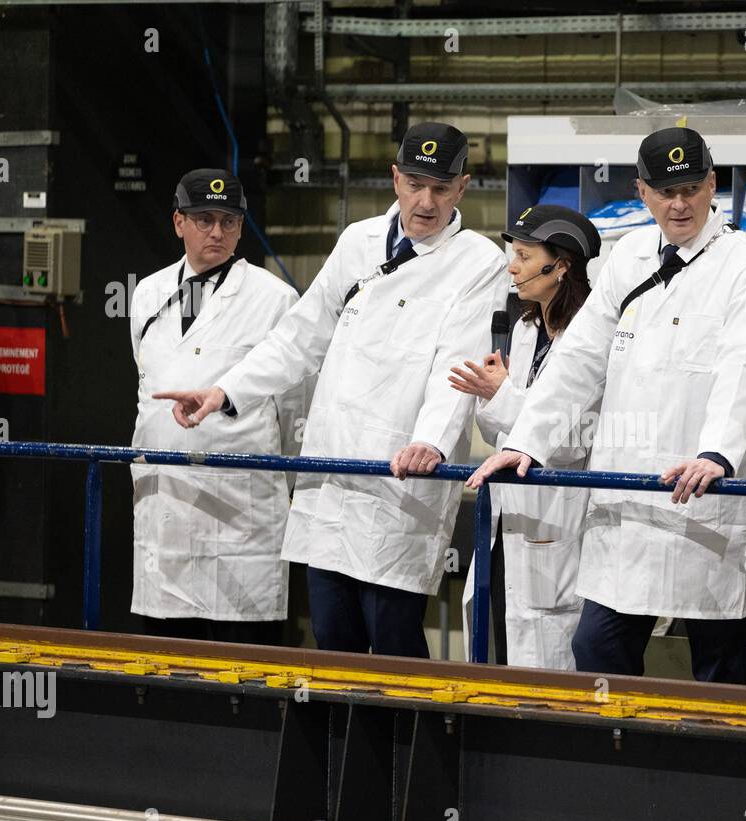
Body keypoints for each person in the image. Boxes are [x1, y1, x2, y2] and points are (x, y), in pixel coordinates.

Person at [154, 123, 506, 658]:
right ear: (395, 179)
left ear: (463, 187)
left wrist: (431, 442)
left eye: (440, 186)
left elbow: (454, 368)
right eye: (415, 183)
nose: (426, 200)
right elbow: (301, 335)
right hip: (331, 475)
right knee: (332, 641)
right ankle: (337, 742)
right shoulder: (358, 241)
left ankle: (407, 742)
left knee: (392, 644)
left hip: (400, 484)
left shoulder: (480, 263)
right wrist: (224, 392)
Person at [469, 126, 746, 685]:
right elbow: (580, 361)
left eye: (691, 187)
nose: (679, 203)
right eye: (665, 191)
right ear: (642, 192)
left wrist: (717, 453)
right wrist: (525, 441)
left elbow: (745, 368)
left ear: (713, 184)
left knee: (718, 671)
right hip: (628, 508)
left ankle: (714, 771)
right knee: (597, 650)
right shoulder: (629, 256)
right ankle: (613, 767)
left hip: (706, 503)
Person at [129, 169, 306, 645]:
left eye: (229, 221)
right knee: (167, 658)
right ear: (178, 222)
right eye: (204, 219)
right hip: (164, 504)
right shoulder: (147, 293)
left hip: (239, 509)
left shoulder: (274, 298)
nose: (217, 232)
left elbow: (294, 408)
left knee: (244, 660)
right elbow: (146, 381)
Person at [451, 205, 601, 669]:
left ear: (562, 265)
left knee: (550, 664)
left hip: (559, 519)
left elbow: (572, 438)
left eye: (523, 255)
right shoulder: (525, 327)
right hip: (502, 525)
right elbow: (497, 430)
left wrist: (504, 398)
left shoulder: (593, 336)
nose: (511, 267)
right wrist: (495, 399)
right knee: (495, 650)